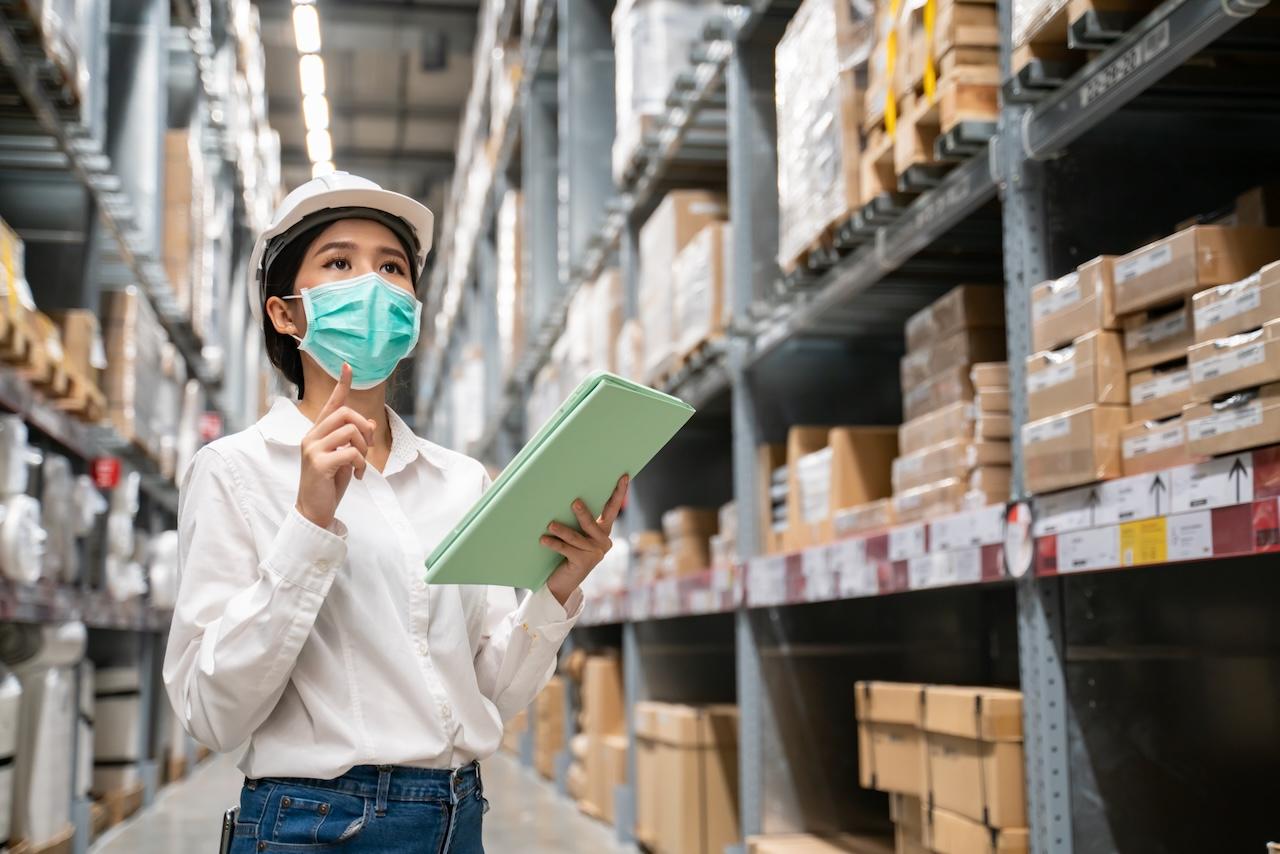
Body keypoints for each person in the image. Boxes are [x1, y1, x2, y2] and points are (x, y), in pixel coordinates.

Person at [163, 172, 628, 853]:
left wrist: (557, 586)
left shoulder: (461, 481)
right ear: (284, 313)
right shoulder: (234, 472)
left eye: (393, 267)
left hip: (456, 817)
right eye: (339, 263)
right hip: (313, 827)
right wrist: (309, 524)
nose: (374, 286)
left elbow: (491, 691)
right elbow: (212, 712)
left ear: (413, 309)